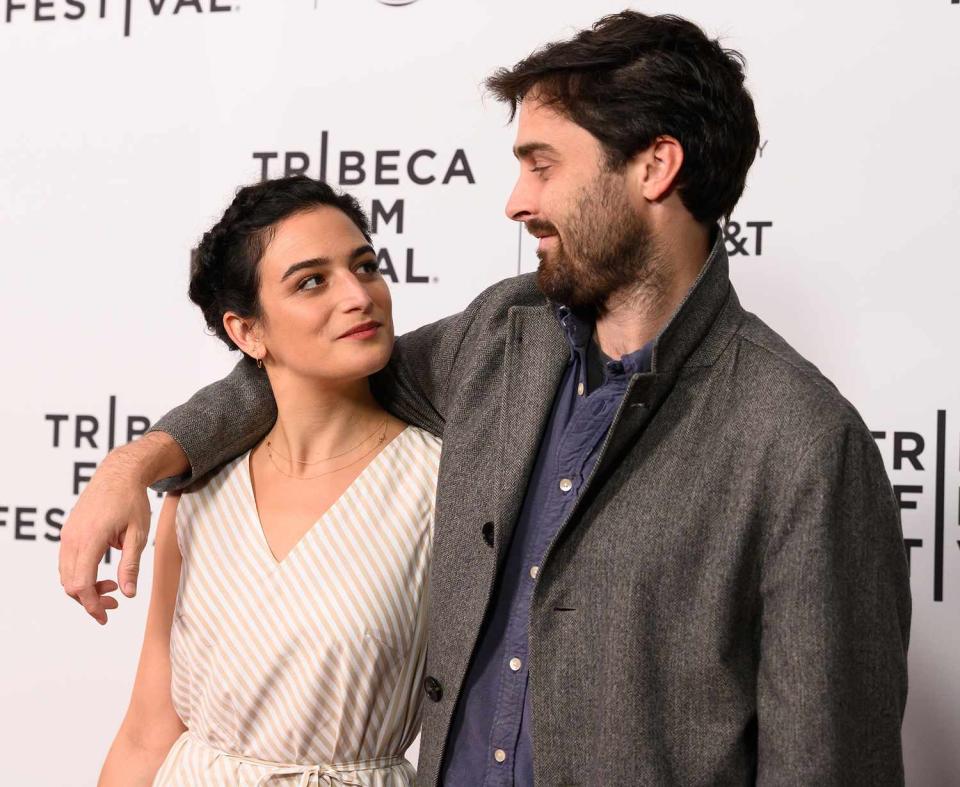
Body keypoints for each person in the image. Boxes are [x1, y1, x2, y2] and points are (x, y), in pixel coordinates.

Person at [64, 11, 911, 786]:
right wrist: (139, 463)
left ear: (655, 166)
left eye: (542, 165)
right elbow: (302, 369)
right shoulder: (503, 336)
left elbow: (829, 765)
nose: (517, 202)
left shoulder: (800, 441)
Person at [96, 177, 441, 786]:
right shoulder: (197, 495)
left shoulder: (442, 483)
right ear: (247, 332)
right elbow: (149, 730)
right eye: (312, 281)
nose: (358, 295)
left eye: (365, 266)